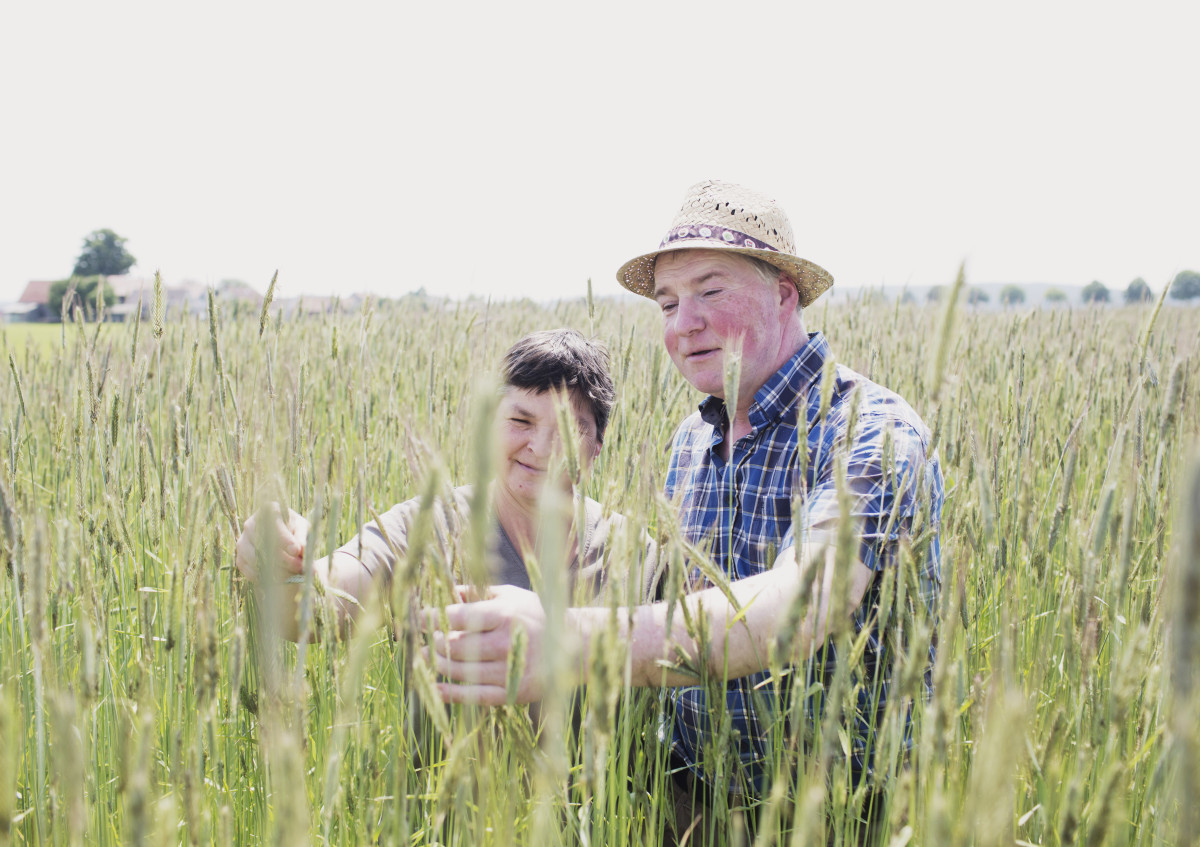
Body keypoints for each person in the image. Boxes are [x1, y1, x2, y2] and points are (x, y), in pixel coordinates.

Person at [425, 181, 944, 840]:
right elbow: (672, 607)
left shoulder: (870, 430)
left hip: (844, 809)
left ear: (784, 292)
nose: (682, 322)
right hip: (694, 801)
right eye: (668, 302)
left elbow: (802, 605)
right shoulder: (693, 438)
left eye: (710, 291)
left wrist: (566, 638)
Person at [235, 328, 656, 640]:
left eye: (568, 431)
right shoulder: (426, 527)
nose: (542, 449)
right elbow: (320, 611)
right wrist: (287, 565)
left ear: (598, 446)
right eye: (520, 421)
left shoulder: (635, 553)